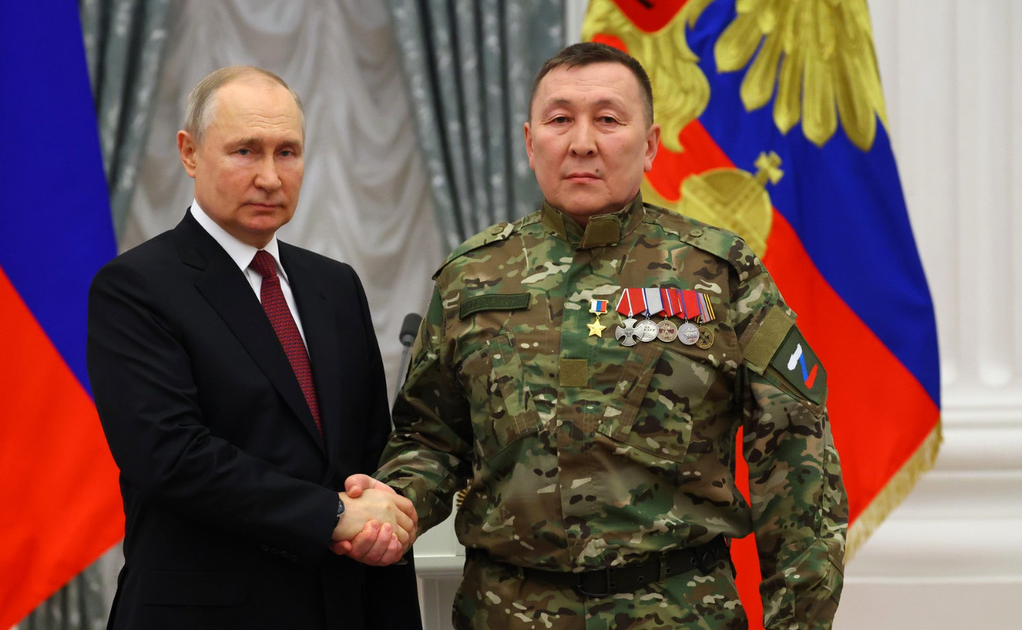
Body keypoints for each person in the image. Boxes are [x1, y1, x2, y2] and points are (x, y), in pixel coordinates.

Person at [343, 42, 848, 629]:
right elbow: (430, 439)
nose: (582, 142)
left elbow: (797, 459)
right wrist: (393, 504)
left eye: (607, 119)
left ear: (650, 144)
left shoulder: (720, 273)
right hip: (505, 613)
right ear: (530, 142)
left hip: (678, 613)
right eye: (560, 120)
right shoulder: (471, 275)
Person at [87, 65, 422, 630]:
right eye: (245, 151)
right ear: (189, 153)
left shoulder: (335, 285)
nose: (270, 177)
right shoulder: (135, 287)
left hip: (342, 606)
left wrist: (380, 522)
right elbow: (171, 456)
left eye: (287, 152)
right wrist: (332, 514)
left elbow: (370, 449)